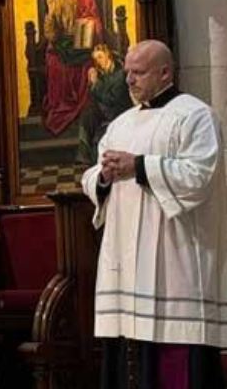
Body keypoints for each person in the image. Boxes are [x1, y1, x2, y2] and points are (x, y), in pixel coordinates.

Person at [82, 40, 227, 388]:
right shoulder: (119, 124)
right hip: (126, 269)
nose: (129, 80)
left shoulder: (196, 116)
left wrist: (141, 166)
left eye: (138, 72)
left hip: (176, 267)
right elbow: (91, 174)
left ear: (165, 72)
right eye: (127, 72)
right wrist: (101, 176)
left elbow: (201, 176)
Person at [42, 0, 105, 135]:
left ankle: (83, 105)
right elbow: (51, 32)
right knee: (55, 61)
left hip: (84, 39)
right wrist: (51, 9)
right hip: (65, 41)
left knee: (86, 61)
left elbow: (94, 17)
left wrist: (87, 24)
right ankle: (63, 104)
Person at [77, 43, 132, 164]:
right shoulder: (101, 73)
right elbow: (94, 97)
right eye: (96, 59)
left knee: (89, 115)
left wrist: (96, 84)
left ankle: (85, 156)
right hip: (104, 110)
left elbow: (112, 99)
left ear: (108, 55)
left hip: (118, 111)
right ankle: (84, 155)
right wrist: (92, 82)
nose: (98, 61)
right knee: (87, 114)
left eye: (100, 57)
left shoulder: (120, 73)